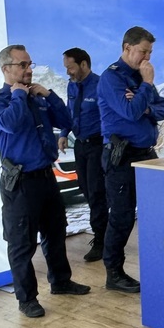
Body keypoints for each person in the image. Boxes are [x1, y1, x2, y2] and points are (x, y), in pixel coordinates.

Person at [0, 45, 91, 318]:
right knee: (21, 243)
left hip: (45, 176)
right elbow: (10, 123)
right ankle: (27, 298)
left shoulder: (37, 97)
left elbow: (66, 121)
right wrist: (18, 94)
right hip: (20, 182)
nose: (29, 69)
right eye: (22, 65)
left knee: (55, 233)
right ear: (6, 69)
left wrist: (49, 96)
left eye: (30, 63)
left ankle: (61, 281)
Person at [97, 26, 164, 293]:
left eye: (150, 52)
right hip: (122, 156)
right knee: (122, 217)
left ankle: (159, 264)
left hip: (146, 154)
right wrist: (146, 87)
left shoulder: (140, 75)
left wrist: (145, 105)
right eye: (143, 51)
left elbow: (163, 110)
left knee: (157, 211)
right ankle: (114, 273)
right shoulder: (112, 78)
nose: (147, 57)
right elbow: (129, 112)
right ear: (127, 48)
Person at [58, 48, 107, 263]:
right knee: (86, 189)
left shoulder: (101, 85)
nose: (67, 72)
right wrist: (63, 133)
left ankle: (101, 241)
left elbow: (108, 116)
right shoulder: (71, 86)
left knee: (96, 192)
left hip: (98, 145)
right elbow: (70, 113)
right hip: (80, 145)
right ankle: (104, 232)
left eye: (70, 67)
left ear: (84, 64)